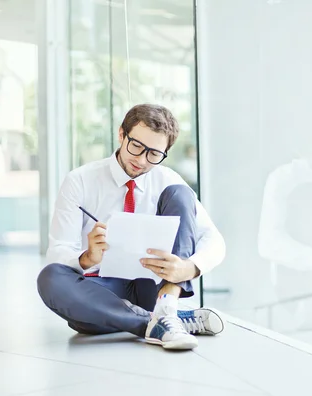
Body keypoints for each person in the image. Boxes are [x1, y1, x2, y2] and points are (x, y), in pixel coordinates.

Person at [37, 104, 226, 351]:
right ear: (121, 134)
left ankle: (165, 309)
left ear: (165, 152)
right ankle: (164, 322)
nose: (141, 160)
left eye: (154, 154)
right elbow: (58, 251)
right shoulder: (80, 180)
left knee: (180, 195)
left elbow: (215, 241)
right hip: (102, 293)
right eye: (136, 146)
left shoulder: (167, 180)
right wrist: (87, 257)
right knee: (49, 279)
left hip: (153, 288)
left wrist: (188, 268)